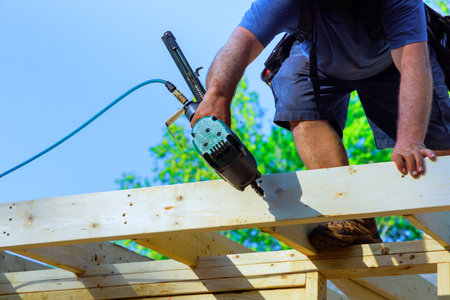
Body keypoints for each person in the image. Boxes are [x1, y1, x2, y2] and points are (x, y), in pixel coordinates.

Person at [190, 0, 450, 249]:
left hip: (392, 65)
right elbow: (241, 42)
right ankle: (350, 212)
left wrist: (410, 138)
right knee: (291, 84)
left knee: (432, 156)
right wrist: (216, 98)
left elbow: (413, 62)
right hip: (318, 64)